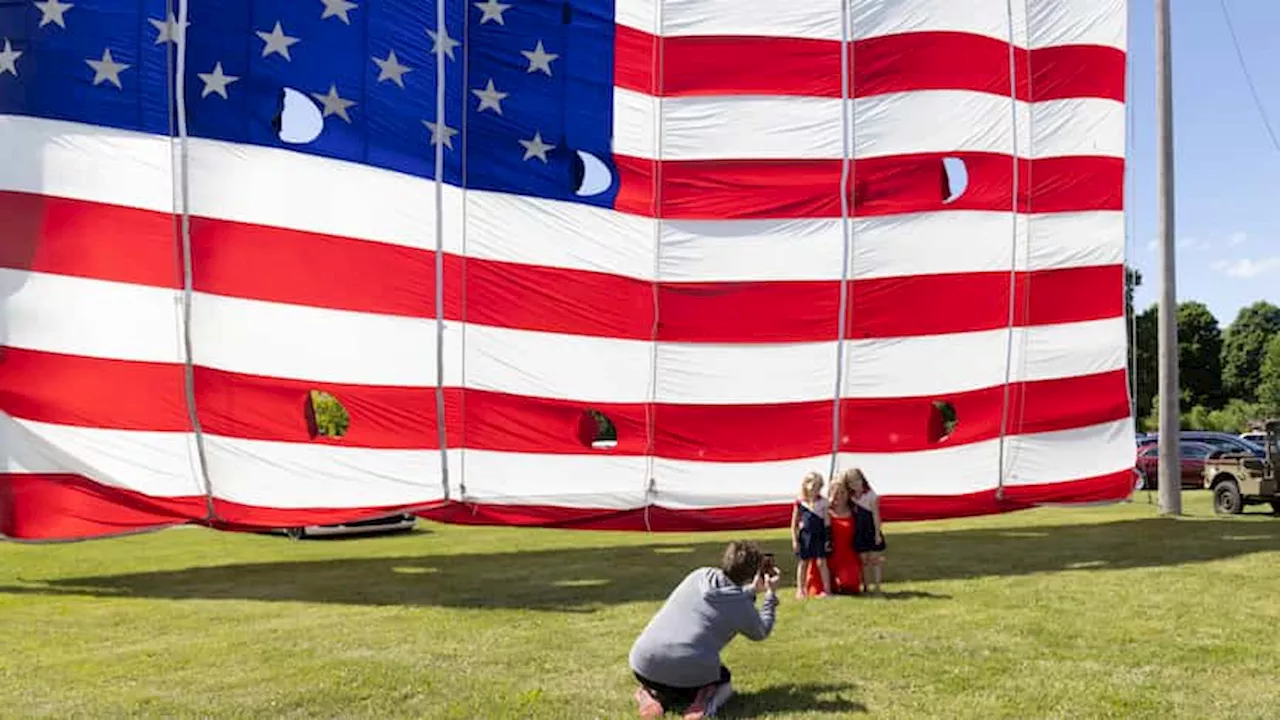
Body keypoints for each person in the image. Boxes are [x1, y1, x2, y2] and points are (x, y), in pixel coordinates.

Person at [629, 540, 781, 719]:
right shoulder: (741, 606)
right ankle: (705, 705)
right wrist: (770, 596)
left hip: (642, 662)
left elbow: (723, 596)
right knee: (723, 683)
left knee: (674, 679)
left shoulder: (699, 575)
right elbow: (761, 631)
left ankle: (651, 694)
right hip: (688, 666)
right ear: (752, 572)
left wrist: (752, 590)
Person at [843, 467, 887, 594]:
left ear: (862, 480)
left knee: (875, 559)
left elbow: (875, 515)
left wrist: (877, 533)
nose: (855, 484)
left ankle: (878, 585)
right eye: (851, 482)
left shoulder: (870, 495)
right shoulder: (850, 497)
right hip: (859, 531)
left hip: (871, 529)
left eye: (857, 480)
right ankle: (866, 585)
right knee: (863, 561)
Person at [790, 471, 831, 599]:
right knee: (803, 563)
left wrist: (828, 538)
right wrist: (795, 540)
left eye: (818, 486)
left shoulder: (823, 502)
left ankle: (827, 590)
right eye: (813, 485)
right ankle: (800, 589)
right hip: (805, 536)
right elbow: (794, 523)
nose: (815, 488)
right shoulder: (800, 502)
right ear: (805, 485)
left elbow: (827, 521)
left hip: (819, 535)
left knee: (821, 562)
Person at [825, 473, 864, 594]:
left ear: (848, 494)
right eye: (835, 493)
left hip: (848, 556)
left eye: (842, 492)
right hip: (828, 556)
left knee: (850, 585)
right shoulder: (824, 512)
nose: (839, 496)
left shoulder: (855, 512)